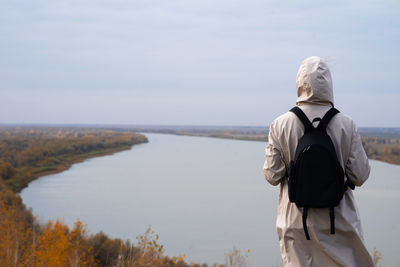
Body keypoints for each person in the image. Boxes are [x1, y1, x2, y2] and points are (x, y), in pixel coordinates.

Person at [263, 56, 374, 267]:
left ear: (299, 83)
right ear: (329, 85)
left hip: (295, 225)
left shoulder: (280, 124)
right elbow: (360, 176)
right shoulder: (346, 124)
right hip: (339, 224)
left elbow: (272, 175)